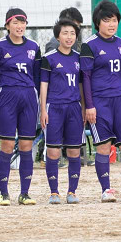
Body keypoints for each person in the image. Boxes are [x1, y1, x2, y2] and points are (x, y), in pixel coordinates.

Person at [81, 0, 121, 203]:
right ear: (98, 22)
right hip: (100, 102)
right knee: (103, 147)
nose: (111, 24)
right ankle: (106, 189)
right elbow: (86, 78)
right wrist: (89, 106)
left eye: (114, 20)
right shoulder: (89, 45)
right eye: (107, 20)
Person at [0, 8, 42, 206]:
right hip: (7, 97)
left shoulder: (34, 46)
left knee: (27, 146)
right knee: (7, 145)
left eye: (23, 23)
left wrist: (39, 102)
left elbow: (37, 77)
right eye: (15, 23)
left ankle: (24, 193)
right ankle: (3, 194)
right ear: (7, 25)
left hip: (28, 97)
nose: (19, 27)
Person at [39, 18, 85, 204]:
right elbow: (43, 85)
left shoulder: (79, 58)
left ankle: (72, 192)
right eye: (65, 33)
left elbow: (82, 85)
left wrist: (83, 107)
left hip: (74, 107)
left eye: (72, 33)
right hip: (54, 107)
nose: (69, 37)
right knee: (53, 152)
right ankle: (54, 192)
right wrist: (43, 110)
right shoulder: (48, 58)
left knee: (74, 151)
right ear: (58, 36)